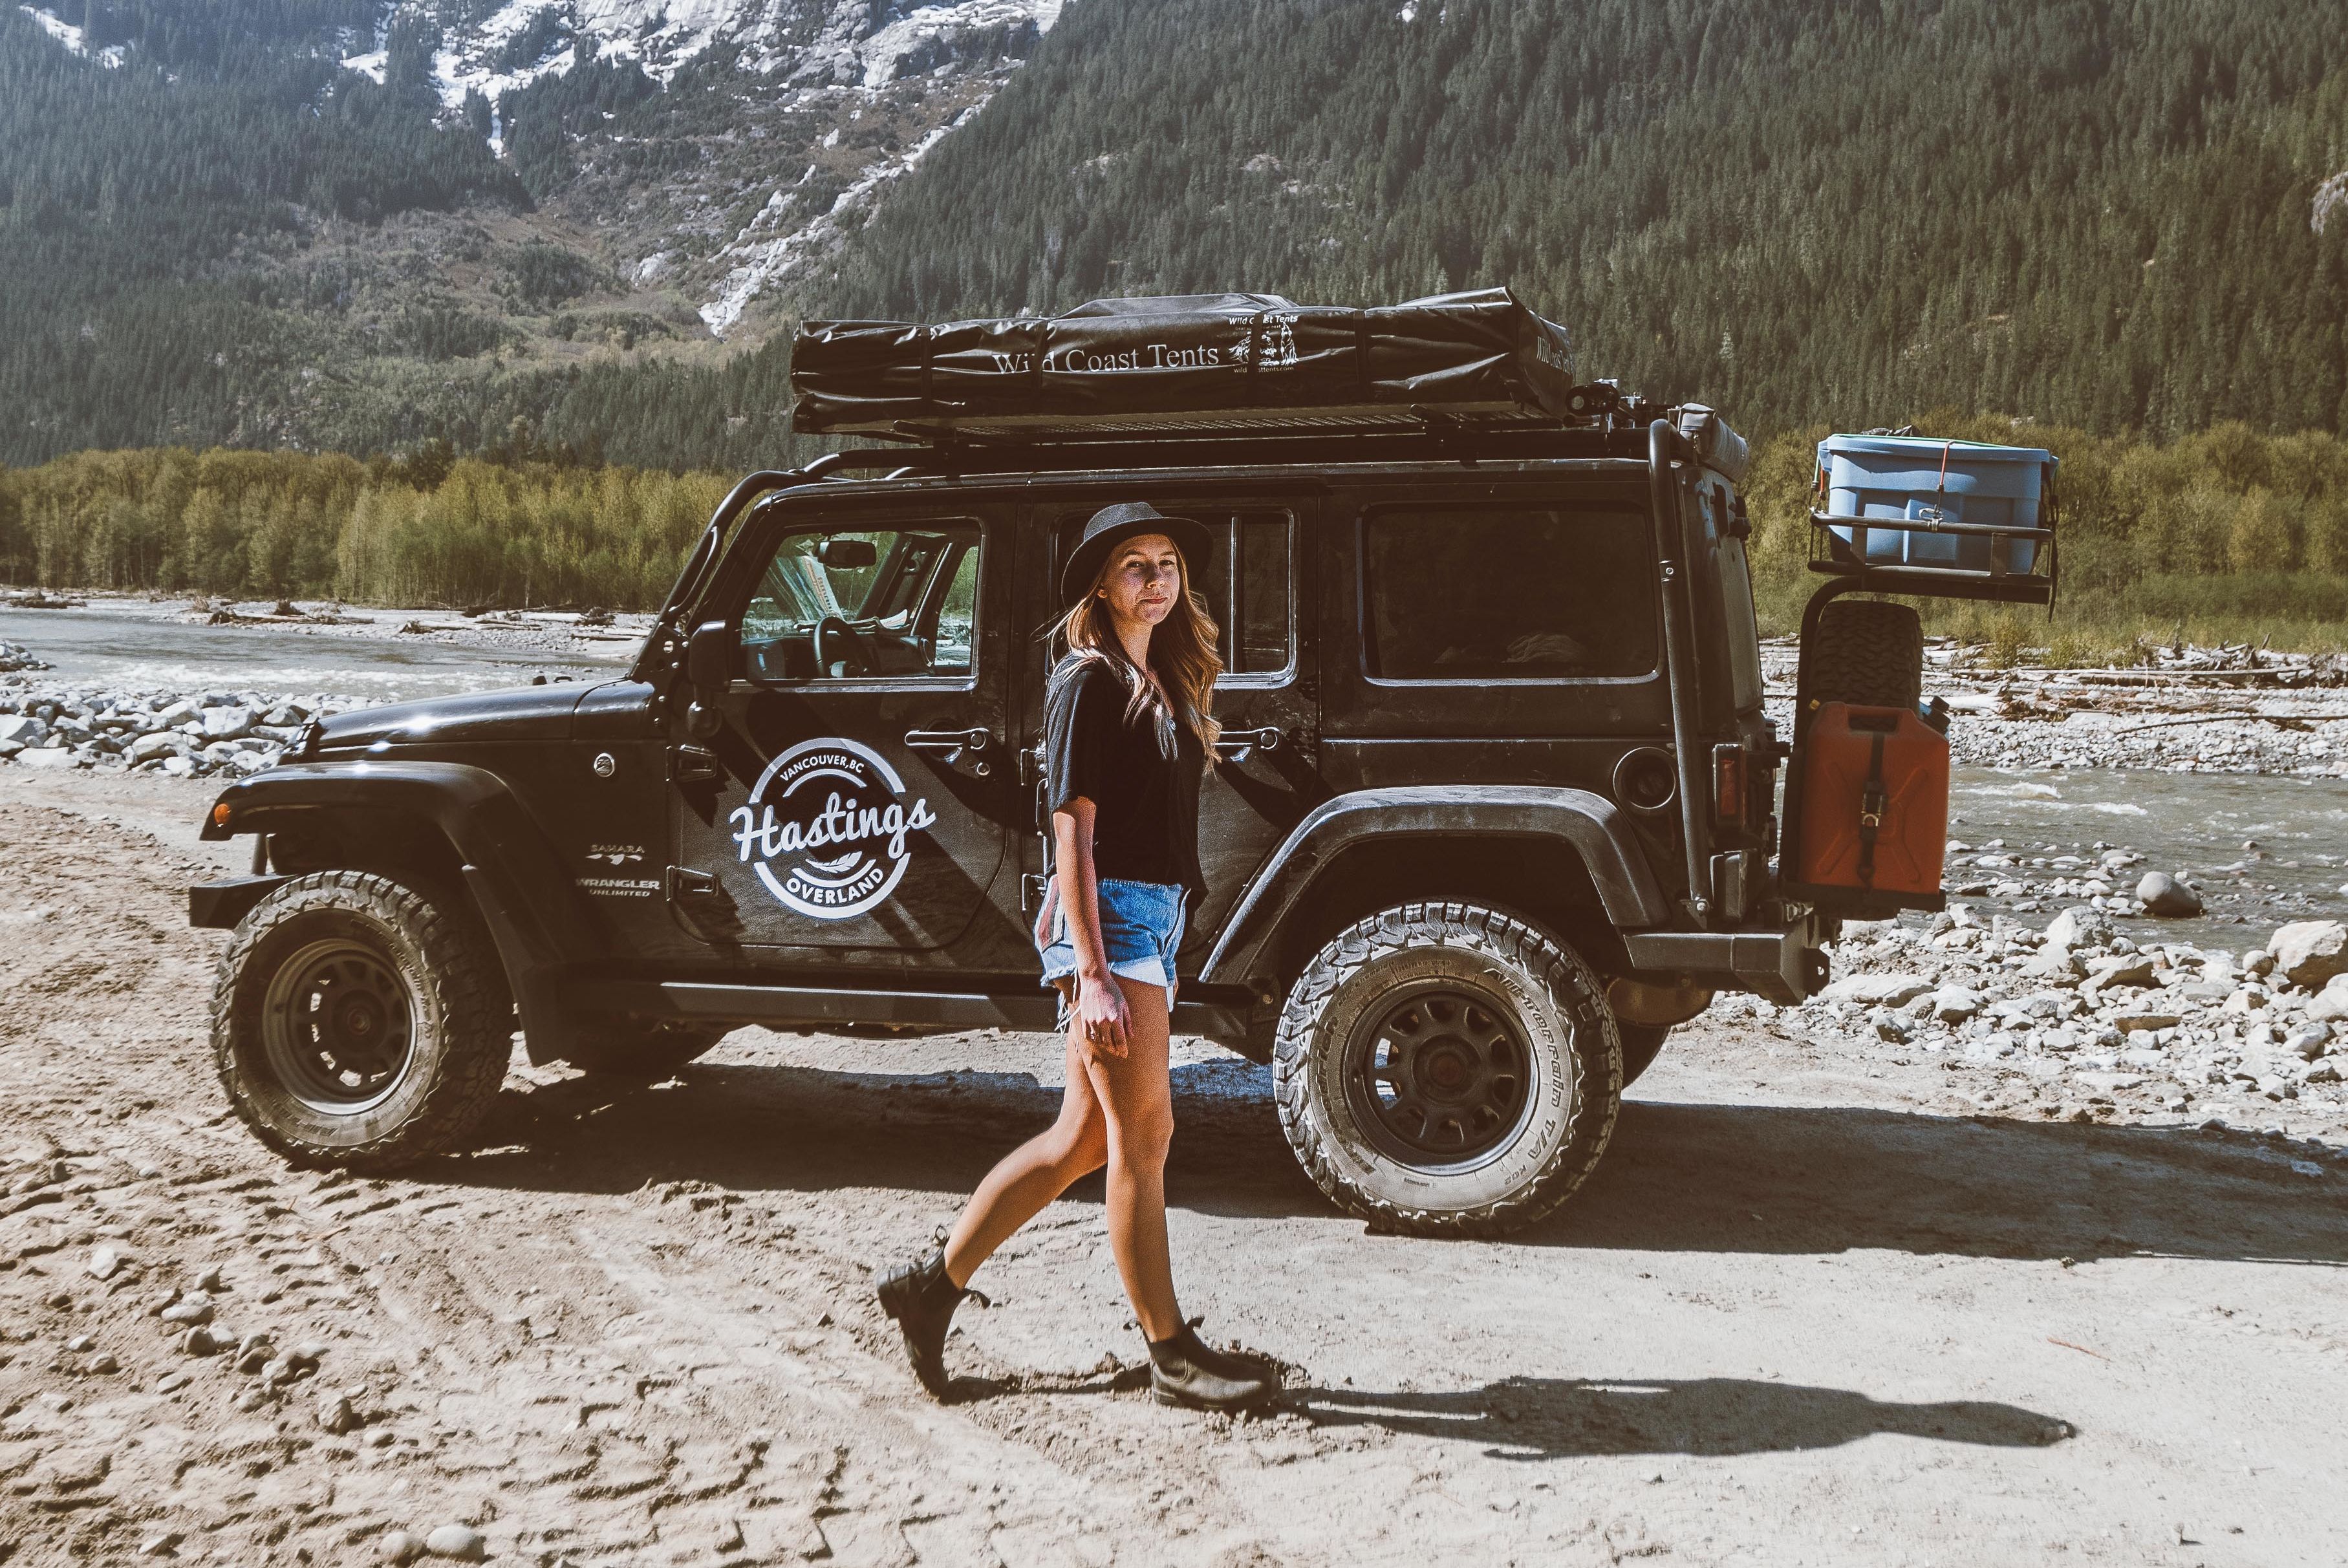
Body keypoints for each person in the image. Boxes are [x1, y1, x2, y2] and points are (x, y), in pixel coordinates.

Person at [874, 501, 1276, 1411]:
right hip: (1115, 929)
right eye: (1134, 565)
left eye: (1167, 561)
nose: (1156, 578)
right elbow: (1072, 829)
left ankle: (928, 1288)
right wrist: (1091, 969)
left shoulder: (1158, 680)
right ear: (1101, 583)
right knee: (1146, 1136)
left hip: (1146, 921)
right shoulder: (1086, 681)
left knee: (1082, 1140)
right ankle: (1171, 1353)